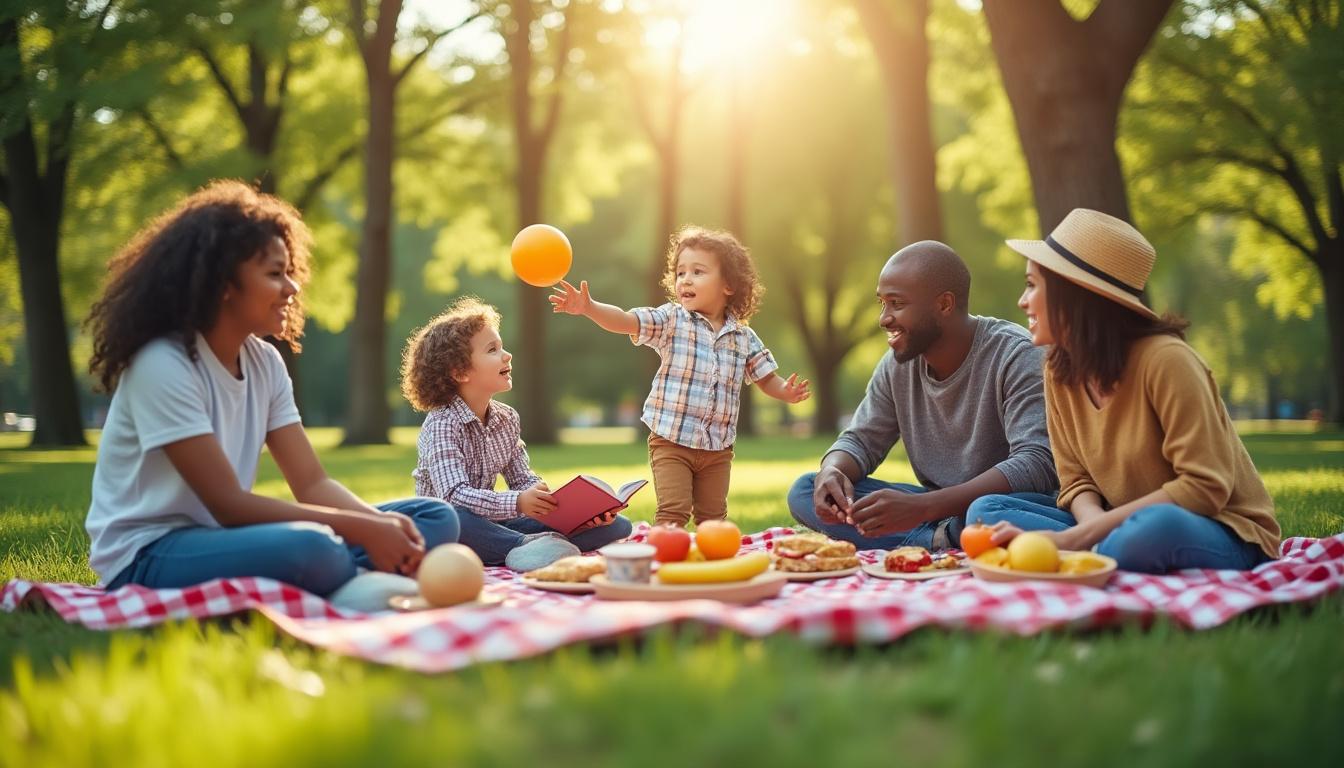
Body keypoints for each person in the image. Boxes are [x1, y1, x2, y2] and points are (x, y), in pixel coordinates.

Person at [85, 180, 458, 597]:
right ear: (224, 284)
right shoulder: (162, 363)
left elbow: (312, 483)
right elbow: (227, 503)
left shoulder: (264, 361)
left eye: (289, 272)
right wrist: (364, 529)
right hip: (147, 554)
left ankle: (343, 571)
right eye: (274, 274)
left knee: (432, 518)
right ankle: (342, 573)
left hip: (224, 539)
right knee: (313, 547)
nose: (293, 288)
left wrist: (382, 527)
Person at [968, 208, 1280, 572]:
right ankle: (1100, 552)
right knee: (986, 512)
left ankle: (1086, 553)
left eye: (1032, 285)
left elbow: (1205, 488)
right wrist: (1090, 528)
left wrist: (1072, 539)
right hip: (1113, 522)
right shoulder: (1058, 369)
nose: (1023, 301)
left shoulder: (1167, 361)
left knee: (1149, 531)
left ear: (1075, 293)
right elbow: (1075, 480)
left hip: (1221, 529)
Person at [787, 241, 1058, 550]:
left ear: (944, 305)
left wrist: (923, 509)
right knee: (805, 490)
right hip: (935, 509)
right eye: (882, 303)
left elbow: (1036, 464)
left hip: (1005, 506)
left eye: (897, 304)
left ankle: (930, 537)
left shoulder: (1016, 355)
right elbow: (860, 440)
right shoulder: (898, 365)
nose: (884, 318)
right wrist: (832, 470)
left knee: (983, 512)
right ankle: (941, 538)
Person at [549, 225, 811, 527]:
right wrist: (590, 307)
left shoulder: (744, 336)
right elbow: (626, 320)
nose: (685, 279)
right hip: (671, 440)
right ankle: (665, 563)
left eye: (698, 272)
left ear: (729, 285)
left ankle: (708, 564)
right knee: (674, 511)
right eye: (680, 272)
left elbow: (766, 377)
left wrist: (785, 392)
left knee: (714, 518)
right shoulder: (672, 320)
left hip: (717, 449)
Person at [404, 297, 632, 570]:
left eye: (502, 346)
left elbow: (522, 479)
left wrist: (563, 507)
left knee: (616, 526)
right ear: (460, 371)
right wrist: (518, 503)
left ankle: (536, 542)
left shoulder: (507, 418)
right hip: (448, 527)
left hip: (494, 523)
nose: (507, 355)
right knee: (454, 518)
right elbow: (454, 495)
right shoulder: (442, 423)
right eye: (492, 350)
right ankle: (523, 546)